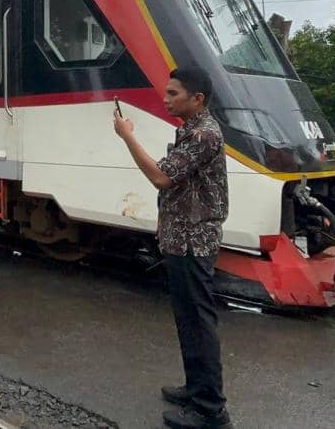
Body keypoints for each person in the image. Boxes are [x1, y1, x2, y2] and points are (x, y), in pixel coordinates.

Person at [113, 68, 231, 429]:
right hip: (181, 239)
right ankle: (196, 388)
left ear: (197, 99)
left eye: (173, 93)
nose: (165, 99)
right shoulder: (192, 129)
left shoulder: (203, 135)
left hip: (193, 242)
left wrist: (127, 136)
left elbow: (161, 177)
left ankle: (210, 410)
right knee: (187, 320)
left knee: (197, 322)